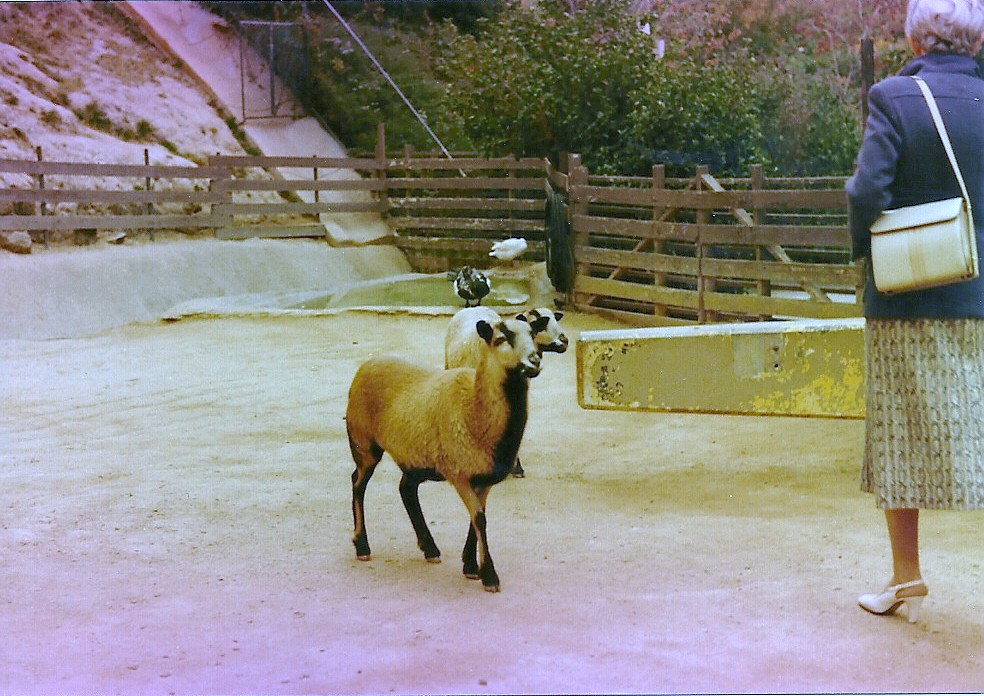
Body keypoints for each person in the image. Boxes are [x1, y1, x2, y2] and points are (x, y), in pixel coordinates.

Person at [847, 0, 984, 623]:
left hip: (908, 298)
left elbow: (867, 191)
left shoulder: (895, 98)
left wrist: (864, 253)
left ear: (914, 38)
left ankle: (906, 576)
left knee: (899, 435)